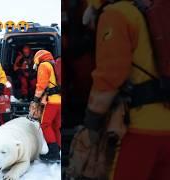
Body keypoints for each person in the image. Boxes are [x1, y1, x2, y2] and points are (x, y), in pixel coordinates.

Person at [82, 0, 170, 179]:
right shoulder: (161, 10)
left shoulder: (118, 14)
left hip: (138, 130)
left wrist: (92, 121)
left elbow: (110, 76)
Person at [29, 50, 61, 163]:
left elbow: (41, 85)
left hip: (51, 101)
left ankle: (53, 153)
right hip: (60, 101)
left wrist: (36, 99)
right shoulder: (55, 64)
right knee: (56, 126)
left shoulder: (44, 65)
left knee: (45, 125)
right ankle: (58, 148)